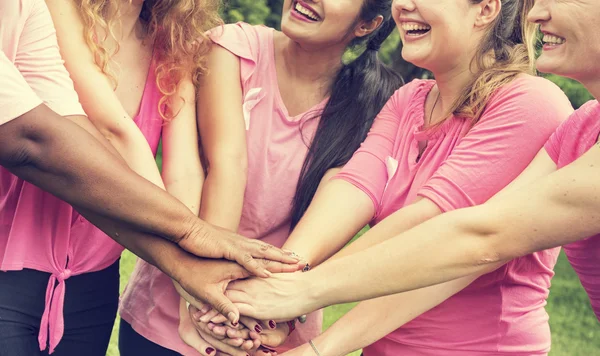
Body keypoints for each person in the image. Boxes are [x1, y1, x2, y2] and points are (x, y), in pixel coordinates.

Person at [212, 0, 600, 331]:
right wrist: (281, 276)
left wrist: (295, 295)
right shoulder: (408, 99)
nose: (402, 4)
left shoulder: (530, 102)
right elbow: (353, 187)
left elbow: (437, 223)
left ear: (484, 9)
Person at [0, 1, 297, 355]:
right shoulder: (56, 8)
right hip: (12, 264)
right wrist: (187, 262)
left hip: (95, 279)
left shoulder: (173, 46)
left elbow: (184, 169)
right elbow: (113, 133)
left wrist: (200, 286)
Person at [119, 0, 403, 355]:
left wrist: (269, 310)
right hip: (175, 307)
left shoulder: (372, 103)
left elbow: (334, 211)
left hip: (271, 323)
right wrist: (204, 302)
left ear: (368, 24)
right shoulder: (232, 50)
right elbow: (228, 164)